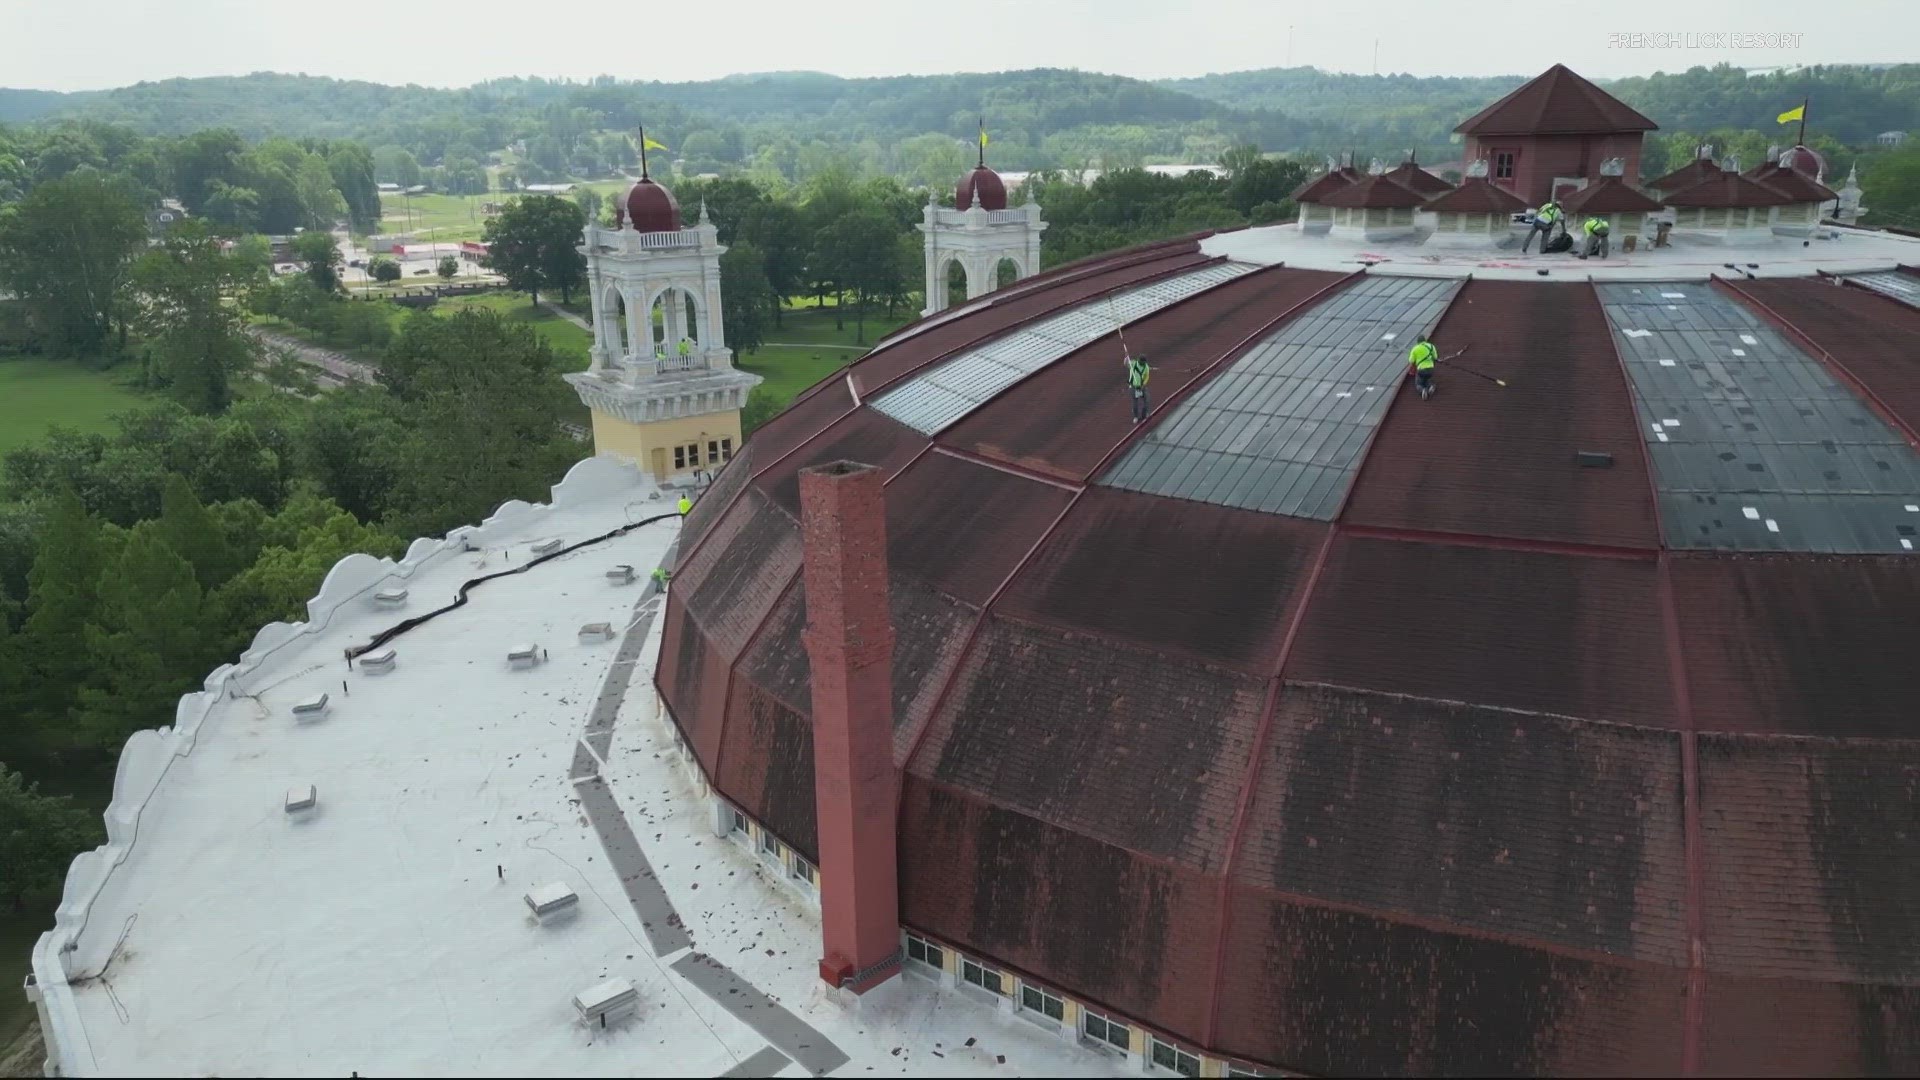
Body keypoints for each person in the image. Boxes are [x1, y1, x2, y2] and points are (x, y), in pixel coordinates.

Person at [1408, 336, 1439, 400]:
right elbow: (1435, 357)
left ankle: (1422, 390)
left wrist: (1411, 370)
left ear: (1418, 342)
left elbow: (1411, 361)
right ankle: (1430, 386)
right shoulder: (1431, 346)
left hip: (1421, 369)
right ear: (1425, 340)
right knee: (1428, 380)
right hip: (1430, 368)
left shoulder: (1415, 348)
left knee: (1418, 383)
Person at [1124, 352, 1151, 424]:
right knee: (1135, 403)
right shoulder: (1133, 363)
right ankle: (1136, 417)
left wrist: (1144, 385)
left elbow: (1147, 377)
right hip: (1133, 387)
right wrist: (1126, 358)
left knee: (1146, 400)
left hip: (1142, 387)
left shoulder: (1146, 367)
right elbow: (1126, 364)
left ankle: (1144, 414)